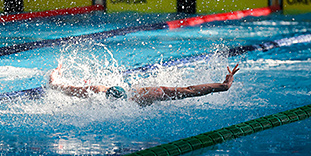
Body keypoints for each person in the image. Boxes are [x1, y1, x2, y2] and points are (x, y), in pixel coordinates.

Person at [49, 64, 239, 107]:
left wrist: (223, 86)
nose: (158, 90)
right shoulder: (149, 94)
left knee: (85, 91)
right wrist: (223, 86)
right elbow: (190, 91)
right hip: (113, 95)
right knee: (89, 90)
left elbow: (190, 90)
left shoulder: (151, 93)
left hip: (114, 95)